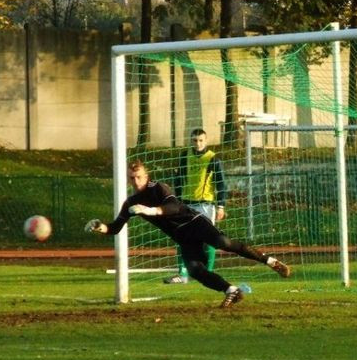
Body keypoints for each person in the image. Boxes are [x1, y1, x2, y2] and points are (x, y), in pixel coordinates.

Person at [85, 159, 291, 308]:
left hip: (194, 223)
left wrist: (151, 210)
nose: (136, 181)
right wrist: (99, 227)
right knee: (194, 270)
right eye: (132, 178)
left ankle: (270, 261)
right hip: (183, 238)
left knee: (222, 242)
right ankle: (231, 291)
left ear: (146, 176)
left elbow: (173, 206)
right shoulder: (130, 202)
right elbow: (115, 227)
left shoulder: (158, 188)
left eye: (139, 177)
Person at [165, 127, 226, 284]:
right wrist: (176, 201)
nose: (197, 143)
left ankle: (209, 272)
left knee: (209, 239)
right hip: (187, 204)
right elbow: (179, 180)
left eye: (200, 140)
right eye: (194, 140)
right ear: (190, 141)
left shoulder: (213, 158)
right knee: (182, 238)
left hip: (206, 205)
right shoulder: (185, 156)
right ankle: (182, 274)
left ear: (206, 141)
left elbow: (221, 184)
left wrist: (221, 206)